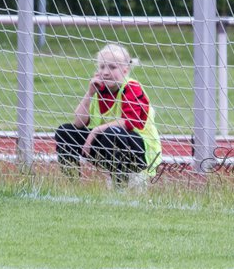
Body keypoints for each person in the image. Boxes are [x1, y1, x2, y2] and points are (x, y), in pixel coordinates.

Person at [54, 43, 161, 186]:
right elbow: (79, 123)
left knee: (113, 133)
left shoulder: (131, 87)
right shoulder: (99, 90)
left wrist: (95, 132)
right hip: (108, 145)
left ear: (125, 69)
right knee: (65, 131)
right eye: (102, 67)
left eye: (112, 67)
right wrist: (89, 93)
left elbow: (130, 122)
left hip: (139, 151)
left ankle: (123, 185)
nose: (105, 72)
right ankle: (72, 185)